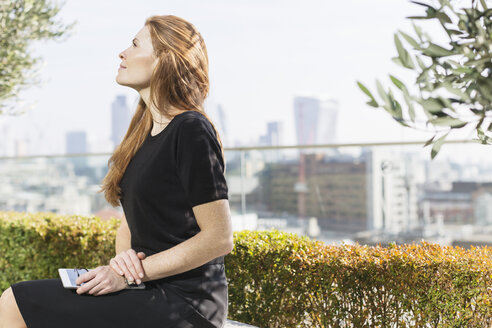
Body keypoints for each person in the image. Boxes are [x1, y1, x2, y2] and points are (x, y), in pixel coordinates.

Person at [0, 14, 232, 328]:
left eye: (135, 44)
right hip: (148, 288)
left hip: (186, 303)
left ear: (165, 59)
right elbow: (131, 223)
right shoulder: (144, 132)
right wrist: (123, 263)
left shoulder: (192, 129)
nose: (122, 53)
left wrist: (128, 274)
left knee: (15, 301)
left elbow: (219, 238)